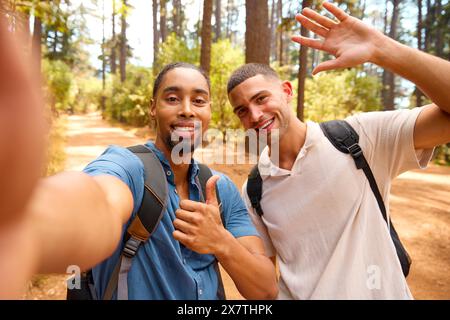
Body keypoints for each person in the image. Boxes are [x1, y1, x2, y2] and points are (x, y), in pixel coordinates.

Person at [0, 16, 277, 299]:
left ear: (209, 113)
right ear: (152, 108)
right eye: (172, 98)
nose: (187, 110)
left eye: (198, 100)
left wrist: (221, 243)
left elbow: (265, 290)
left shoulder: (222, 190)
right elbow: (99, 202)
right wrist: (23, 223)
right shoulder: (128, 168)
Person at [227, 1, 450, 299]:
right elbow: (264, 288)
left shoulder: (360, 137)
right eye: (242, 110)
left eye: (261, 99)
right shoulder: (254, 189)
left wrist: (382, 49)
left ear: (287, 91)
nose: (254, 115)